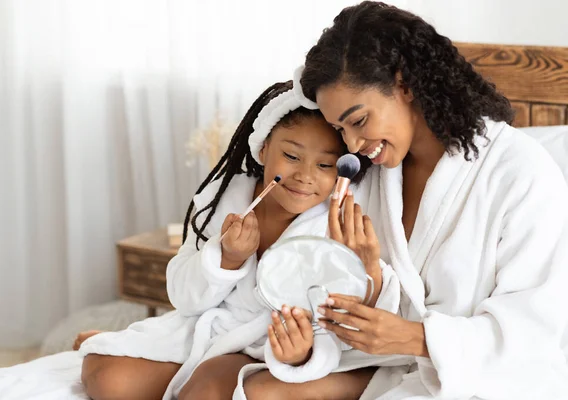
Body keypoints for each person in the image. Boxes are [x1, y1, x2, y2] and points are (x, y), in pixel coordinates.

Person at [245, 2, 568, 399]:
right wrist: (367, 278)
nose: (352, 145)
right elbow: (345, 301)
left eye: (359, 121)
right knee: (256, 391)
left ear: (405, 85)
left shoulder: (521, 173)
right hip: (396, 366)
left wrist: (417, 339)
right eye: (339, 129)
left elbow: (535, 331)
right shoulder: (373, 176)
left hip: (484, 377)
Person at [76, 80, 379, 400]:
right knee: (104, 377)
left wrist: (301, 356)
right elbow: (183, 297)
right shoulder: (222, 198)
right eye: (291, 155)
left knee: (203, 394)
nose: (305, 175)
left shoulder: (336, 225)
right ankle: (121, 344)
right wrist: (226, 259)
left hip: (264, 349)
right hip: (208, 330)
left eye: (324, 165)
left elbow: (341, 324)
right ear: (264, 149)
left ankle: (184, 371)